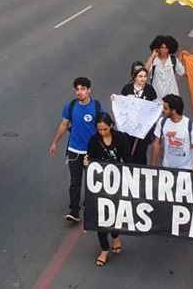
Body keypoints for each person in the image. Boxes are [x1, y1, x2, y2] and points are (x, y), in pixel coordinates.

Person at [49, 77, 102, 223]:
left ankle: (90, 205)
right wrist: (55, 143)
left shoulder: (96, 107)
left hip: (91, 152)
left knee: (92, 181)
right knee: (75, 182)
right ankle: (74, 211)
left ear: (89, 90)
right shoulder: (71, 106)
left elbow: (103, 127)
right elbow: (64, 125)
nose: (79, 92)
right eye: (77, 89)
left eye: (83, 89)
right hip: (74, 150)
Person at [84, 113, 129, 267]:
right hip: (100, 184)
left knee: (115, 213)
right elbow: (89, 160)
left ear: (111, 126)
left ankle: (115, 236)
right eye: (99, 130)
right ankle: (104, 249)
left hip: (118, 183)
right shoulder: (93, 141)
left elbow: (128, 160)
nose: (102, 132)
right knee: (101, 217)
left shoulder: (121, 139)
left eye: (105, 129)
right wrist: (86, 162)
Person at [151, 94, 193, 169]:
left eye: (165, 108)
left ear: (174, 111)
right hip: (167, 168)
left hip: (186, 169)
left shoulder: (191, 125)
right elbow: (156, 144)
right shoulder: (162, 122)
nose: (162, 110)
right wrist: (153, 165)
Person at [120, 66, 158, 164]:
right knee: (127, 151)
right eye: (140, 76)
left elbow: (155, 105)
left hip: (143, 129)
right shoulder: (127, 88)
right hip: (129, 127)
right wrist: (115, 99)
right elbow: (122, 104)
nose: (143, 79)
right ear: (135, 77)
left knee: (141, 152)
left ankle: (141, 173)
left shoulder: (150, 89)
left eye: (145, 76)